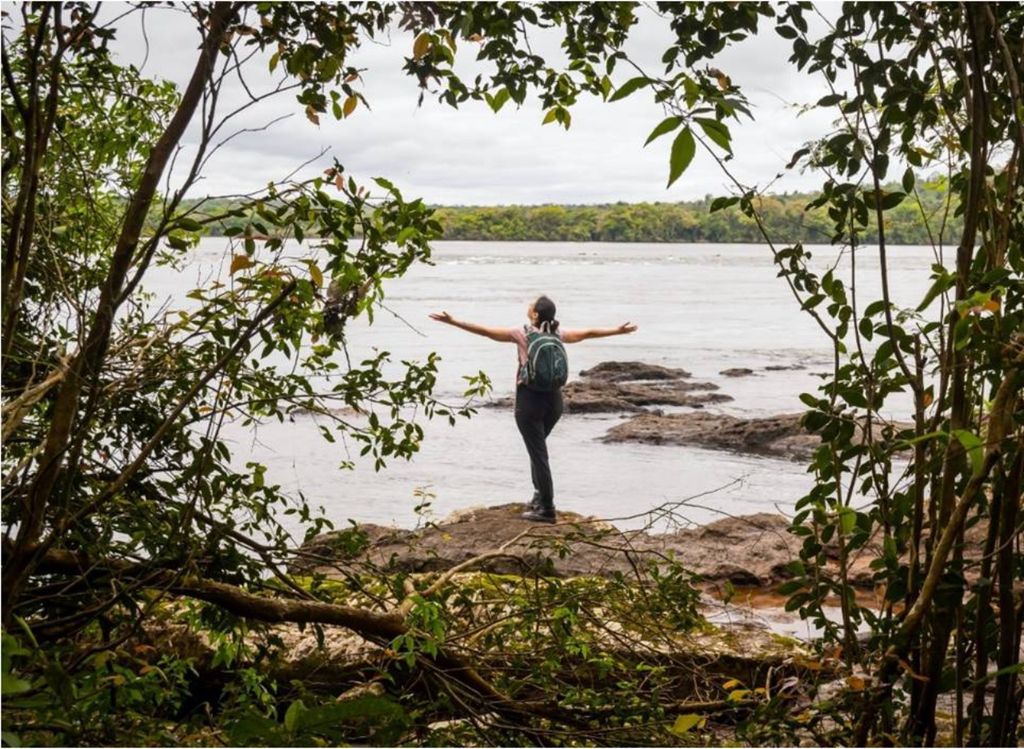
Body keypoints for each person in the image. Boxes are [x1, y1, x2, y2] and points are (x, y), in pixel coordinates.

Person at [430, 296, 638, 523]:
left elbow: (486, 332)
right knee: (537, 451)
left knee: (538, 455)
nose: (527, 307)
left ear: (536, 315)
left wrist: (454, 322)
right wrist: (618, 331)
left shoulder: (523, 333)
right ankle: (539, 497)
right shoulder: (558, 334)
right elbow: (588, 333)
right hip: (555, 402)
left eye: (531, 305)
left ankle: (547, 509)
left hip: (529, 402)